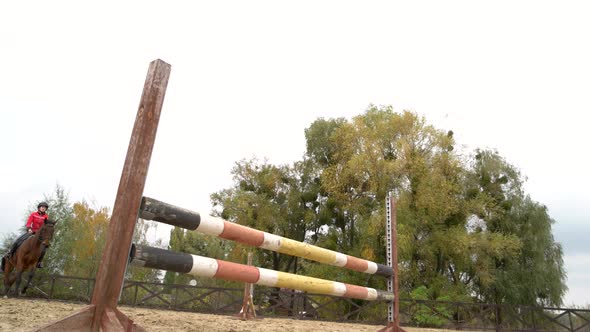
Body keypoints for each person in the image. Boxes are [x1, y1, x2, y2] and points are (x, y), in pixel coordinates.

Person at [6, 201, 50, 268]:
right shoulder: (33, 214)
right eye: (42, 207)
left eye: (45, 207)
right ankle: (10, 253)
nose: (43, 208)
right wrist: (29, 228)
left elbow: (46, 226)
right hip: (31, 231)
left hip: (40, 235)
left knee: (44, 248)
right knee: (19, 239)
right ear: (39, 208)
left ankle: (39, 262)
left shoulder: (46, 216)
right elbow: (29, 222)